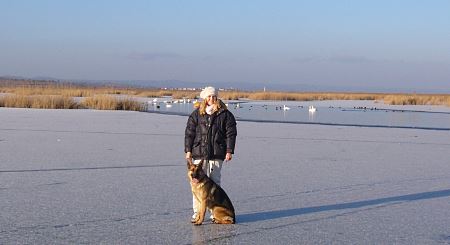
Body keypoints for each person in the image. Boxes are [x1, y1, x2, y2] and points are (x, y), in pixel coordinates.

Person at [184, 86, 237, 222]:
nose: (211, 99)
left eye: (213, 96)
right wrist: (188, 150)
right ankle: (197, 213)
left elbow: (231, 134)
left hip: (216, 153)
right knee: (196, 185)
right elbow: (189, 133)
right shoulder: (197, 114)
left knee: (214, 183)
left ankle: (215, 213)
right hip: (198, 153)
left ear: (216, 97)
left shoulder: (225, 114)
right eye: (209, 96)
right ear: (204, 98)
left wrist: (229, 151)